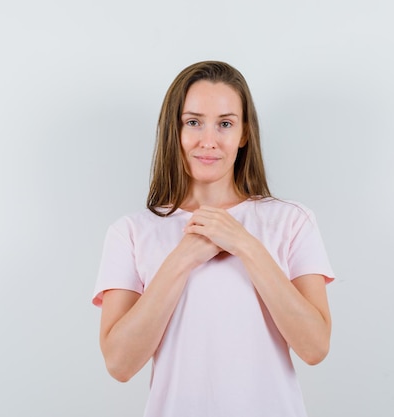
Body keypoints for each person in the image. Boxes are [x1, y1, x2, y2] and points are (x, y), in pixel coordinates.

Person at [92, 61, 335, 417]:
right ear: (174, 132)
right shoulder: (129, 232)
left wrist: (244, 244)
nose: (209, 141)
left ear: (244, 133)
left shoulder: (292, 221)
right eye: (193, 122)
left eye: (225, 123)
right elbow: (120, 363)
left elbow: (315, 346)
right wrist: (183, 257)